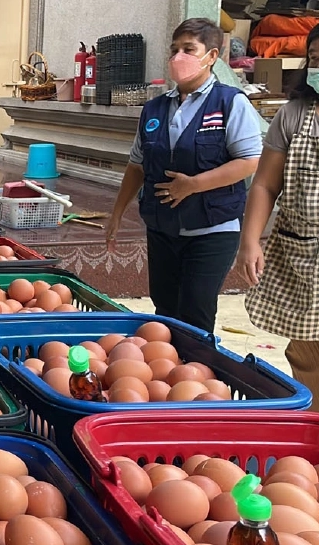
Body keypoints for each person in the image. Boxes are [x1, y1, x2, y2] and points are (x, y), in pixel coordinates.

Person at [237, 12, 319, 418]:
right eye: (316, 59)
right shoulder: (292, 115)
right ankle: (314, 462)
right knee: (310, 369)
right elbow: (264, 186)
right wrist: (250, 241)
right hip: (302, 264)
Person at [106, 18, 262, 333]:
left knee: (196, 311)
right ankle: (168, 372)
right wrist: (117, 212)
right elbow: (137, 164)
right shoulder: (154, 109)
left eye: (189, 49)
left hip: (212, 228)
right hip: (162, 227)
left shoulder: (230, 103)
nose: (179, 57)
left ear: (212, 55)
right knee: (164, 308)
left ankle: (197, 373)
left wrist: (192, 186)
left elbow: (248, 162)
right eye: (175, 49)